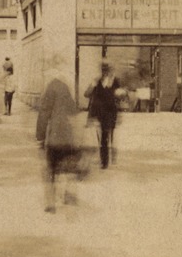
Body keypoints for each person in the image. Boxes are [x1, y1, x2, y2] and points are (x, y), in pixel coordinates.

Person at [36, 71, 81, 213]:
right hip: (68, 136)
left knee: (51, 169)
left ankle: (51, 202)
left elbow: (44, 113)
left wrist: (40, 136)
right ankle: (68, 194)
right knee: (69, 166)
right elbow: (74, 113)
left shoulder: (50, 88)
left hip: (54, 137)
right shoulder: (66, 91)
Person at [86, 62, 123, 170]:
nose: (105, 72)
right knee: (104, 137)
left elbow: (120, 97)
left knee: (107, 136)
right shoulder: (98, 82)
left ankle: (107, 159)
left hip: (110, 114)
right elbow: (87, 94)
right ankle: (105, 160)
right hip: (102, 114)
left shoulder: (115, 82)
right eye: (104, 70)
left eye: (107, 70)